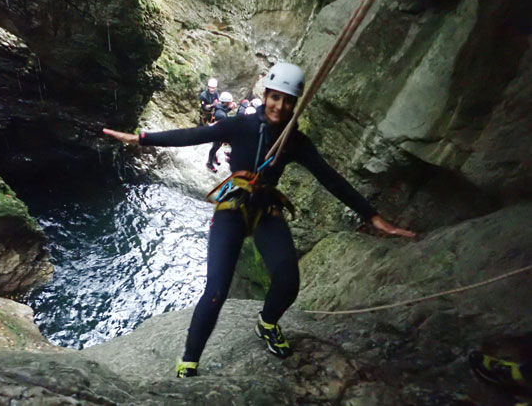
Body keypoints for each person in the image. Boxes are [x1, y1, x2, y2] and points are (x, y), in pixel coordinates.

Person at [103, 62, 415, 378]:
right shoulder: (240, 126)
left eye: (288, 100)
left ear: (296, 104)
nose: (280, 106)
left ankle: (266, 324)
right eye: (275, 97)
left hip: (266, 210)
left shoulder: (295, 141)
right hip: (233, 209)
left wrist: (372, 216)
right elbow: (194, 134)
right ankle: (189, 361)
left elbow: (330, 178)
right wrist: (140, 138)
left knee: (289, 280)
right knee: (215, 291)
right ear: (266, 95)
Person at [206, 91, 233, 172]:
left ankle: (214, 158)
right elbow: (223, 125)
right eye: (229, 102)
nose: (230, 103)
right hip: (218, 133)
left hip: (216, 130)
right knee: (215, 147)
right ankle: (209, 163)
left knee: (216, 147)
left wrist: (230, 108)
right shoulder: (221, 114)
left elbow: (224, 111)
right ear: (226, 102)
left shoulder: (219, 106)